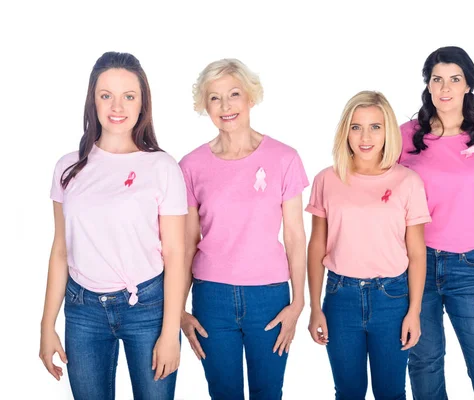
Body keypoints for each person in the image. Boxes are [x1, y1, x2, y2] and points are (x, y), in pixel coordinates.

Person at [39, 51, 188, 400]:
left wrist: (169, 333)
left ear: (142, 104)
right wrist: (47, 326)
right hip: (83, 311)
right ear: (93, 101)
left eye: (128, 96)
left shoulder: (163, 168)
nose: (117, 106)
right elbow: (61, 250)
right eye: (106, 95)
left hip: (148, 309)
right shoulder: (68, 167)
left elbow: (176, 254)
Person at [179, 58, 308, 400]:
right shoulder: (190, 166)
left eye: (234, 94)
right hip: (212, 297)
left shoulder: (285, 158)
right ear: (204, 106)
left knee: (269, 392)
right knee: (223, 393)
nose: (226, 106)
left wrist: (299, 302)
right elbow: (187, 243)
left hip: (269, 296)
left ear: (251, 97)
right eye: (215, 98)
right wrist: (178, 310)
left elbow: (295, 236)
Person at [399, 46, 474, 399]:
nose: (445, 88)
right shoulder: (405, 135)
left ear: (469, 85)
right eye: (437, 79)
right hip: (415, 264)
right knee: (424, 365)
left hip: (473, 267)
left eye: (455, 79)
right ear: (428, 85)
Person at [306, 91, 430, 400]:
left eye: (375, 127)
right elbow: (317, 245)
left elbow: (416, 252)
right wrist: (314, 307)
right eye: (356, 126)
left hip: (392, 299)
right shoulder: (327, 179)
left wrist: (414, 312)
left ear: (387, 131)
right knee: (348, 392)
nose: (365, 137)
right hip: (340, 298)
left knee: (390, 392)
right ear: (345, 130)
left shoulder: (408, 181)